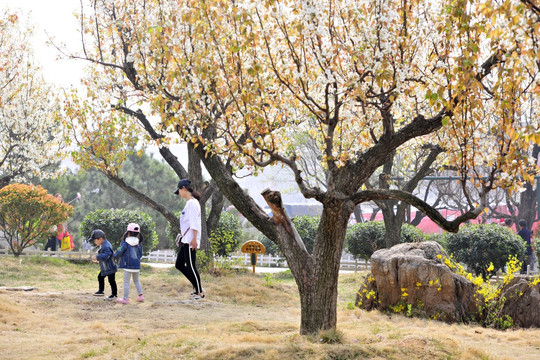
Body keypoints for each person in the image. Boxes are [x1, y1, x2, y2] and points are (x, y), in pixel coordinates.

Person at [174, 179, 205, 300]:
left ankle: (199, 292)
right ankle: (197, 287)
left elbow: (194, 222)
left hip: (190, 239)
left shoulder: (192, 203)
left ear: (183, 188)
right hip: (187, 239)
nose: (179, 194)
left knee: (191, 266)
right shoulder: (190, 203)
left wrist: (194, 239)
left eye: (179, 191)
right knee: (179, 264)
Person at [113, 223, 144, 304]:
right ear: (137, 234)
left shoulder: (124, 243)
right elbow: (140, 254)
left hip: (127, 266)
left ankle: (125, 299)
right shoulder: (139, 244)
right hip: (137, 266)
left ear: (128, 233)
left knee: (126, 282)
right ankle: (141, 296)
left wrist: (113, 255)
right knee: (136, 281)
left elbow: (119, 252)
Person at [89, 229, 118, 299]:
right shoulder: (103, 244)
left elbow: (106, 255)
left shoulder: (106, 246)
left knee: (111, 281)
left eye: (95, 240)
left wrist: (97, 257)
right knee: (100, 277)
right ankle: (101, 291)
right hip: (105, 267)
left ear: (100, 239)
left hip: (110, 267)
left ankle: (114, 294)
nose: (95, 242)